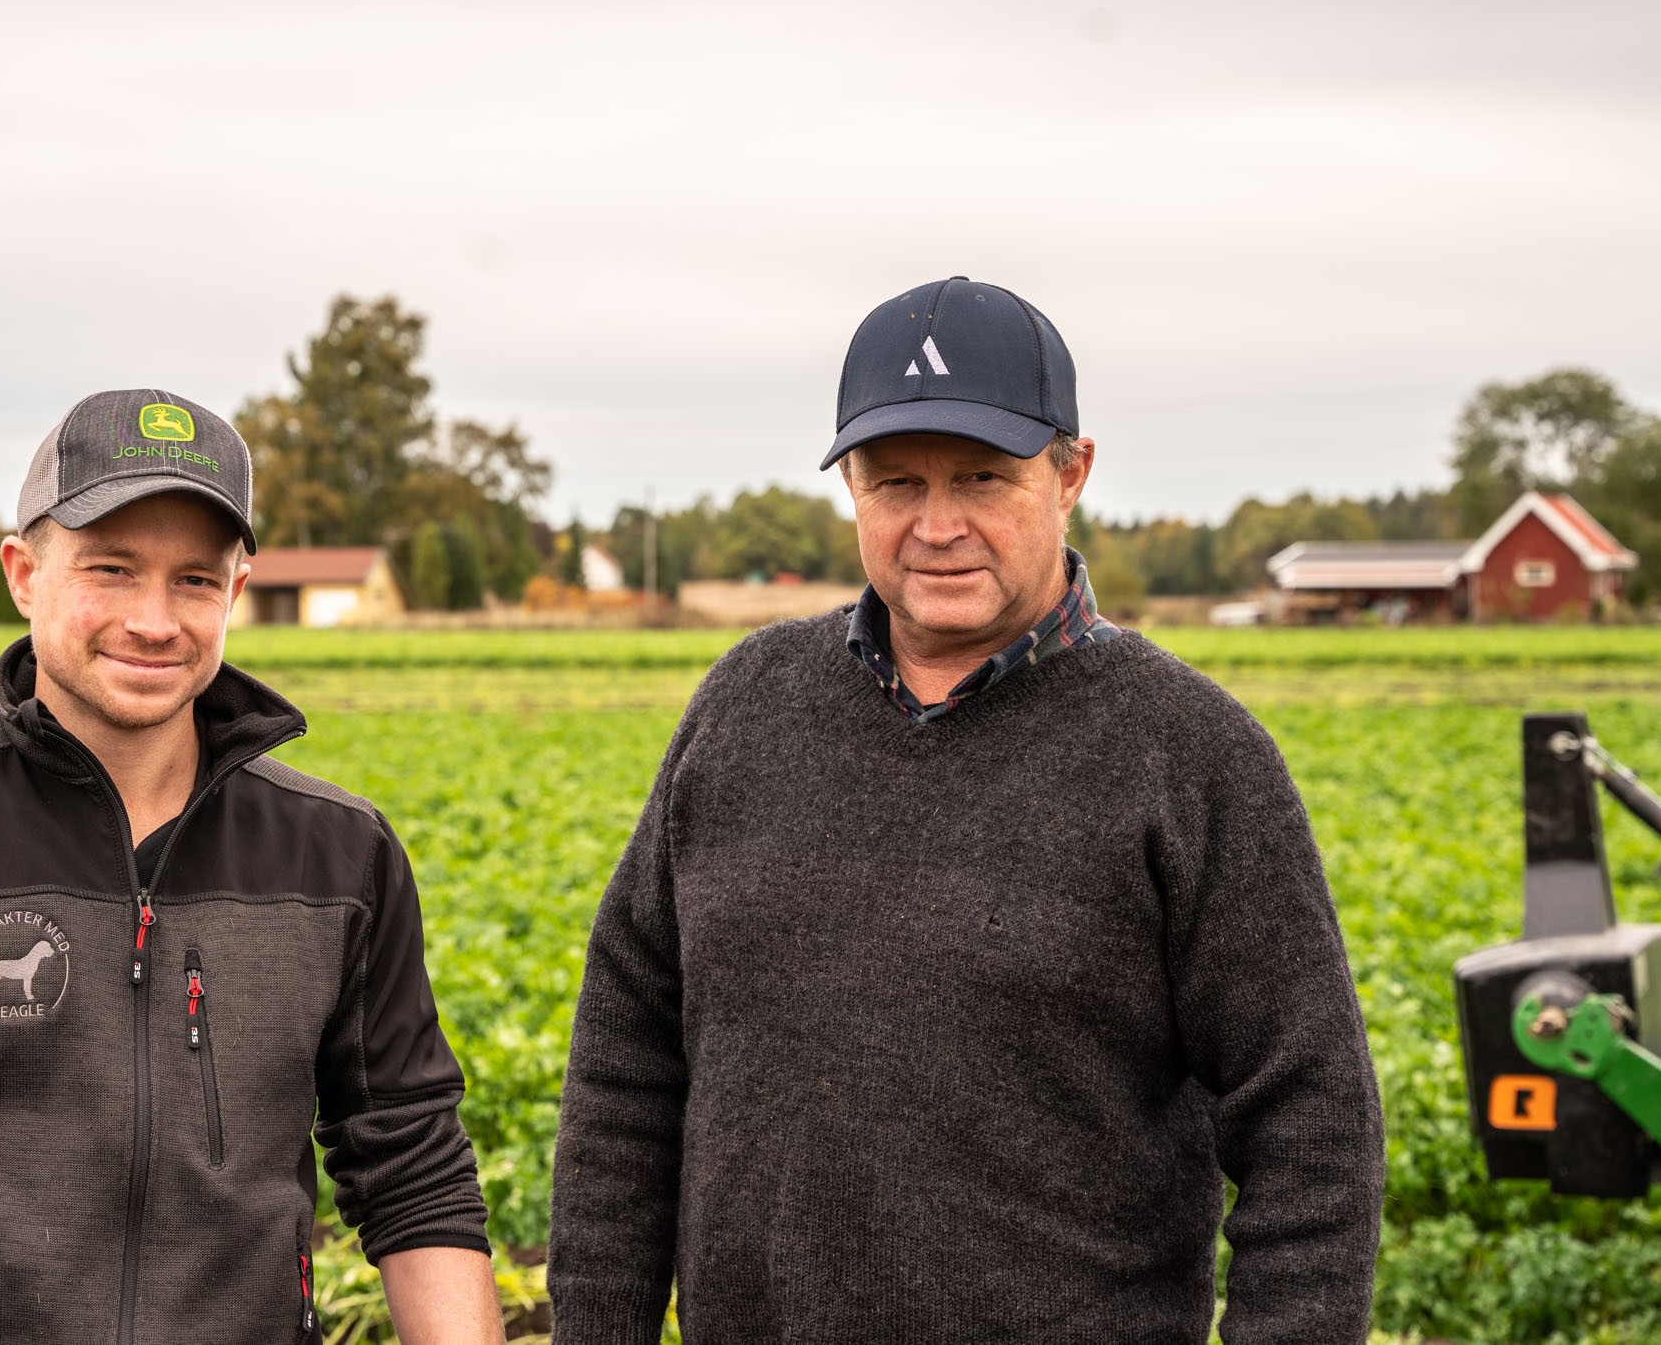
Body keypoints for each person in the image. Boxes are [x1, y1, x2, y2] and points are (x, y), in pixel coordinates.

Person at [548, 279, 1385, 1344]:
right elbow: (627, 1060)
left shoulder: (1188, 754)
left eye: (983, 479)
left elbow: (1312, 1127)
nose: (936, 527)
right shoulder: (747, 705)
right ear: (850, 480)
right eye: (895, 482)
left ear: (1071, 472)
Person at [0, 389, 503, 1345]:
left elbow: (414, 1166)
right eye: (110, 570)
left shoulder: (338, 855)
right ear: (24, 574)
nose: (154, 621)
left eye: (194, 580)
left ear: (236, 592)